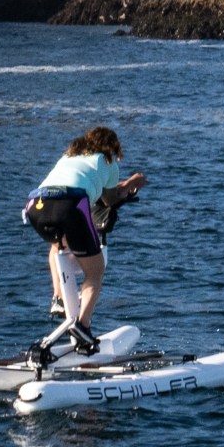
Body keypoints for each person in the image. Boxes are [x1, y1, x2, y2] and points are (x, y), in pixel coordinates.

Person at [22, 125, 145, 365]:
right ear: (112, 147)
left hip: (36, 204)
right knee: (95, 270)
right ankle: (82, 327)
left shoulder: (69, 156)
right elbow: (109, 199)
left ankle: (58, 298)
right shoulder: (107, 160)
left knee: (58, 245)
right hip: (69, 205)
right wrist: (132, 182)